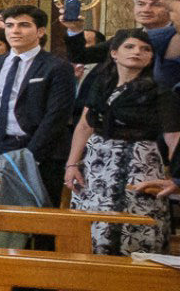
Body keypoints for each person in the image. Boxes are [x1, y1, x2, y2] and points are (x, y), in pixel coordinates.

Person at [66, 28, 180, 255]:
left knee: (134, 228)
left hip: (139, 163)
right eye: (130, 46)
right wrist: (71, 164)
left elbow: (174, 137)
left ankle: (128, 288)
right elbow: (85, 125)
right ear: (114, 53)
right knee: (91, 229)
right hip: (97, 164)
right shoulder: (101, 84)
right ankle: (93, 288)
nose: (137, 52)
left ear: (150, 58)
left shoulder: (161, 93)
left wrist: (176, 178)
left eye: (145, 49)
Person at [0, 2, 77, 202]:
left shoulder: (57, 67)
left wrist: (32, 153)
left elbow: (57, 115)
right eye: (9, 25)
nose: (15, 30)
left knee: (38, 215)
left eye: (23, 25)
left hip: (40, 149)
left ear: (40, 31)